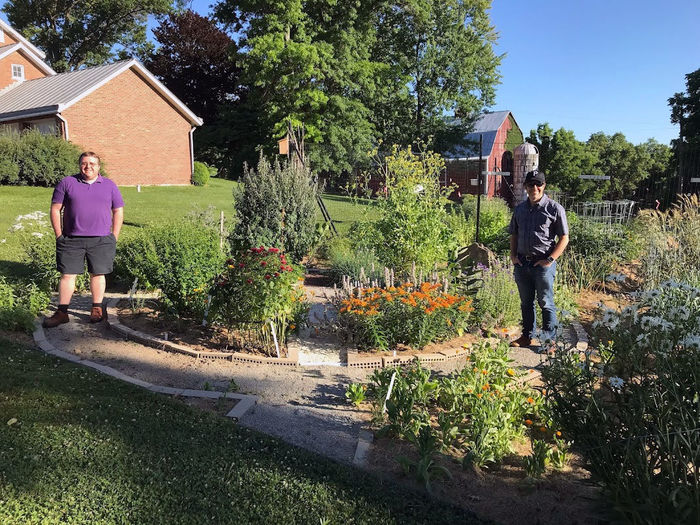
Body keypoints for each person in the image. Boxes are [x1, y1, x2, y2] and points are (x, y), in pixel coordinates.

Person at [42, 152, 124, 328]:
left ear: (99, 166)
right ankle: (62, 312)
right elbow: (55, 209)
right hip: (71, 239)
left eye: (92, 163)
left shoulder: (109, 185)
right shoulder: (67, 183)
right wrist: (59, 234)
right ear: (80, 165)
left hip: (101, 240)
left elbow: (118, 210)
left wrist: (114, 236)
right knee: (67, 276)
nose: (88, 166)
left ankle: (96, 310)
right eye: (84, 163)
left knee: (98, 274)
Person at [508, 169, 569, 349]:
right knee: (526, 302)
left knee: (546, 302)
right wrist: (513, 256)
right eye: (530, 184)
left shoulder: (554, 208)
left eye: (538, 184)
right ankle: (527, 337)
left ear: (543, 186)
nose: (534, 187)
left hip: (543, 264)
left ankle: (549, 341)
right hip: (522, 263)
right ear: (525, 187)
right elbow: (514, 234)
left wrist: (550, 259)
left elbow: (564, 238)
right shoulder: (519, 209)